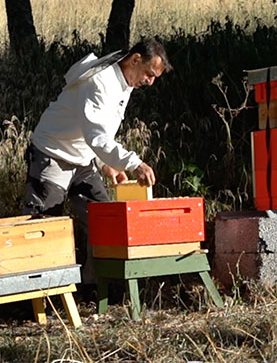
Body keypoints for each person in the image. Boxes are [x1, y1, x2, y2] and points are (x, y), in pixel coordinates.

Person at [22, 37, 172, 283]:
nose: (150, 82)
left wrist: (105, 164)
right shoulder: (100, 81)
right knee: (45, 227)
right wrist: (134, 163)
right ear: (135, 59)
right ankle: (42, 298)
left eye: (154, 77)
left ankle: (95, 287)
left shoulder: (125, 80)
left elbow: (96, 129)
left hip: (83, 160)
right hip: (52, 155)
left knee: (104, 221)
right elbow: (97, 135)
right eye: (148, 73)